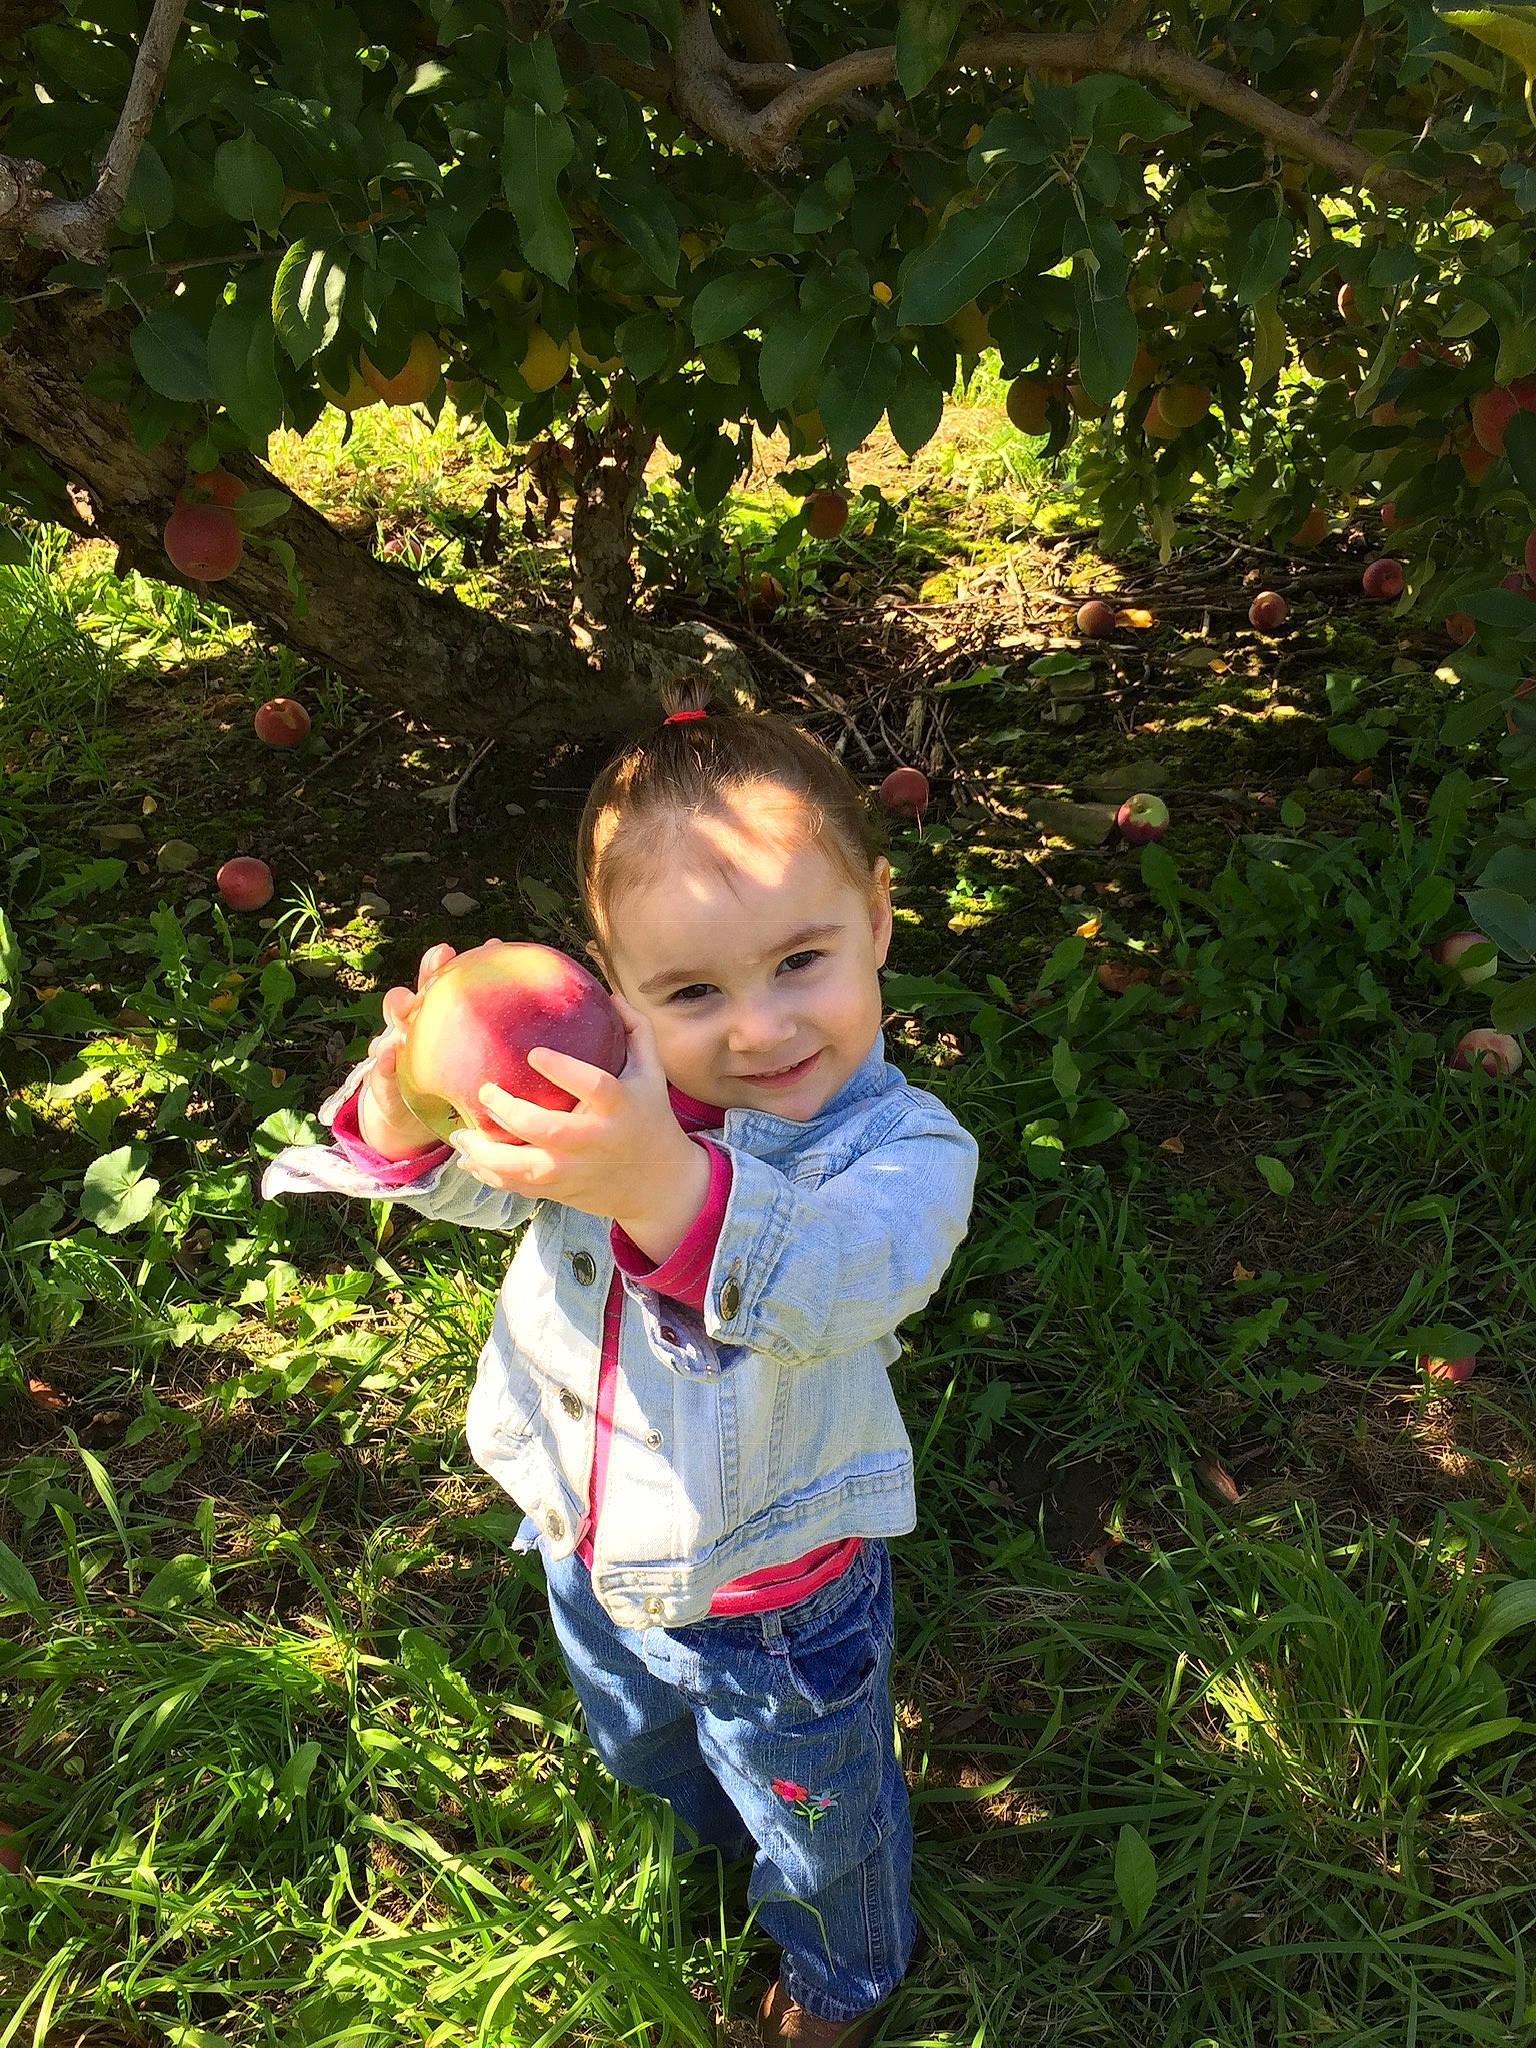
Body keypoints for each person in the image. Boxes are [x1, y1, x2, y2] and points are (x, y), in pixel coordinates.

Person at [261, 682, 979, 2047]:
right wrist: (411, 1096)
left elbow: (843, 1281)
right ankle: (698, 1851)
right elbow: (475, 1183)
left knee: (818, 1818)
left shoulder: (900, 1151)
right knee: (642, 1741)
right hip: (587, 1534)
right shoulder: (599, 1097)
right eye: (693, 991)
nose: (758, 1028)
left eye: (802, 962)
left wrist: (661, 1183)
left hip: (776, 1587)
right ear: (614, 988)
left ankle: (846, 1972)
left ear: (880, 919)